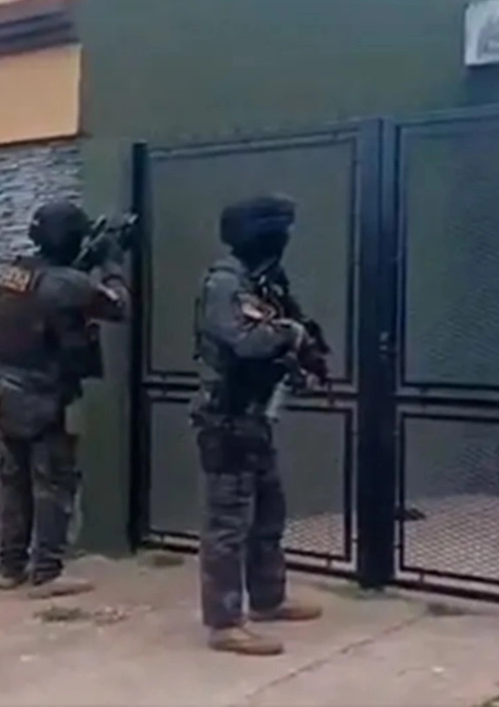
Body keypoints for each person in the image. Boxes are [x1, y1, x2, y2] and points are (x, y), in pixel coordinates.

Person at [192, 195, 322, 655]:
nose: (285, 239)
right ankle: (225, 622)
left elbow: (288, 330)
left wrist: (304, 354)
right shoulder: (225, 283)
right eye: (280, 230)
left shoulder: (262, 280)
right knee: (227, 524)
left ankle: (268, 598)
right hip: (226, 417)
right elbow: (246, 342)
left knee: (268, 513)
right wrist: (291, 334)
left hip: (254, 416)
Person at [0, 200, 130, 598]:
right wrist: (111, 263)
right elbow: (119, 306)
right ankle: (48, 572)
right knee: (54, 483)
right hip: (46, 395)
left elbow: (54, 292)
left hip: (6, 391)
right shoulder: (66, 283)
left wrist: (84, 263)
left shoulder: (16, 272)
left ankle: (10, 567)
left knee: (15, 483)